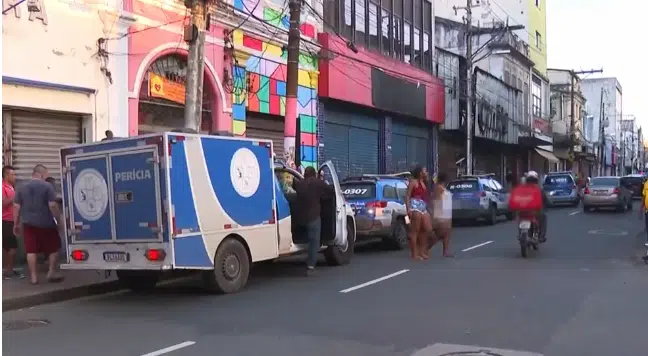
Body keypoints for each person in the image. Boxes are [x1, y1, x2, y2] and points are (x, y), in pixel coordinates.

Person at [13, 165, 63, 284]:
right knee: (54, 248)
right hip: (47, 223)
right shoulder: (47, 186)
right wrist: (58, 220)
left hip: (28, 224)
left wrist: (16, 223)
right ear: (41, 174)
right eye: (46, 174)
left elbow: (16, 207)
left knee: (31, 250)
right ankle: (51, 272)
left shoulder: (21, 187)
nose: (46, 177)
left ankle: (34, 278)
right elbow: (53, 205)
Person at [293, 166, 335, 276]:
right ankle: (310, 266)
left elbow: (295, 190)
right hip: (313, 217)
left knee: (307, 238)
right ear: (314, 174)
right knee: (314, 242)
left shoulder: (300, 184)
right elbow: (330, 191)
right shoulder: (317, 183)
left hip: (299, 218)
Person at [405, 165, 432, 260]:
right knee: (415, 231)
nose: (426, 172)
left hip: (423, 207)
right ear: (420, 172)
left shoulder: (424, 182)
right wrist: (408, 209)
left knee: (426, 229)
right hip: (415, 206)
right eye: (425, 171)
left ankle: (422, 251)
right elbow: (407, 196)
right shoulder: (413, 182)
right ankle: (414, 254)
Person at [2, 166, 24, 279]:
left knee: (7, 247)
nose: (15, 176)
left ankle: (8, 269)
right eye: (12, 174)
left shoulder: (11, 187)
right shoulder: (2, 187)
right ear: (6, 175)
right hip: (5, 220)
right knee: (12, 248)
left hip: (12, 220)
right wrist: (15, 196)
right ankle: (8, 271)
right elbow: (3, 203)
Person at [430, 172, 453, 258]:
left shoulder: (444, 188)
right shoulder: (438, 188)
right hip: (441, 215)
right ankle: (425, 248)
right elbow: (437, 201)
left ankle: (445, 251)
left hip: (447, 214)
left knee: (447, 234)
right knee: (439, 234)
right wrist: (436, 216)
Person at [522, 170, 548, 242]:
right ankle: (541, 236)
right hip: (532, 211)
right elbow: (545, 199)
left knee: (542, 216)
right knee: (543, 217)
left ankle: (540, 236)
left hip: (529, 211)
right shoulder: (538, 189)